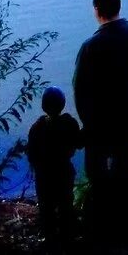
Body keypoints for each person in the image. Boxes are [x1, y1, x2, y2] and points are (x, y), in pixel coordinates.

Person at [72, 0, 128, 241]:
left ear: (97, 11)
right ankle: (126, 222)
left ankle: (100, 225)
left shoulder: (90, 46)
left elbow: (79, 89)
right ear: (119, 7)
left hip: (99, 121)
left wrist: (86, 121)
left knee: (96, 172)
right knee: (124, 166)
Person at [25, 86, 83, 242]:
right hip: (64, 170)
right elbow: (79, 143)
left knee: (45, 206)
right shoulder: (69, 123)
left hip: (43, 174)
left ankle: (48, 236)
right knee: (65, 202)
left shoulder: (37, 127)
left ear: (44, 106)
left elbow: (31, 153)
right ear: (63, 104)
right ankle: (67, 235)